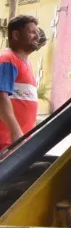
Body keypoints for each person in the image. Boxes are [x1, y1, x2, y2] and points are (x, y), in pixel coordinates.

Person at [0, 14, 43, 153]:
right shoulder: (8, 60)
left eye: (37, 33)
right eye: (31, 32)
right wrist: (16, 132)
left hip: (16, 144)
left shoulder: (25, 63)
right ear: (16, 35)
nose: (37, 36)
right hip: (6, 143)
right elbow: (1, 97)